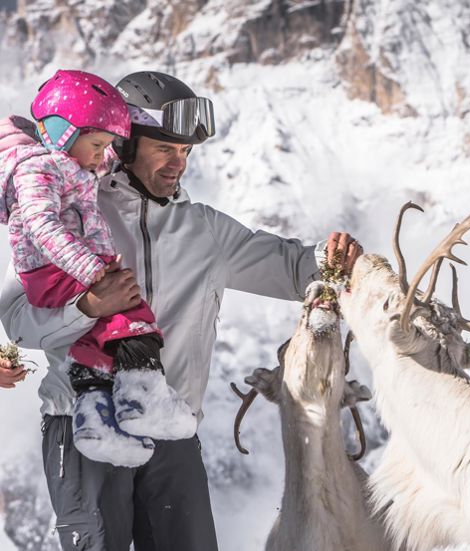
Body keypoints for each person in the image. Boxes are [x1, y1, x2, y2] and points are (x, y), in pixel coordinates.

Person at [0, 70, 363, 551]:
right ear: (125, 146)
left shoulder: (205, 231)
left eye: (186, 153)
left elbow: (294, 267)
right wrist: (89, 306)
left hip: (171, 427)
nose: (179, 164)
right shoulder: (75, 209)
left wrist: (333, 257)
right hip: (82, 425)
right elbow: (18, 321)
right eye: (166, 149)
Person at [0, 69, 195, 471]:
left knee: (98, 338)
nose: (100, 153)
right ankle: (144, 396)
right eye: (95, 143)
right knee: (131, 315)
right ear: (61, 133)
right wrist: (91, 271)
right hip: (57, 271)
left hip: (68, 269)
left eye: (106, 145)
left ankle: (95, 420)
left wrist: (124, 139)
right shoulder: (38, 169)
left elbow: (103, 159)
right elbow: (42, 226)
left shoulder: (73, 161)